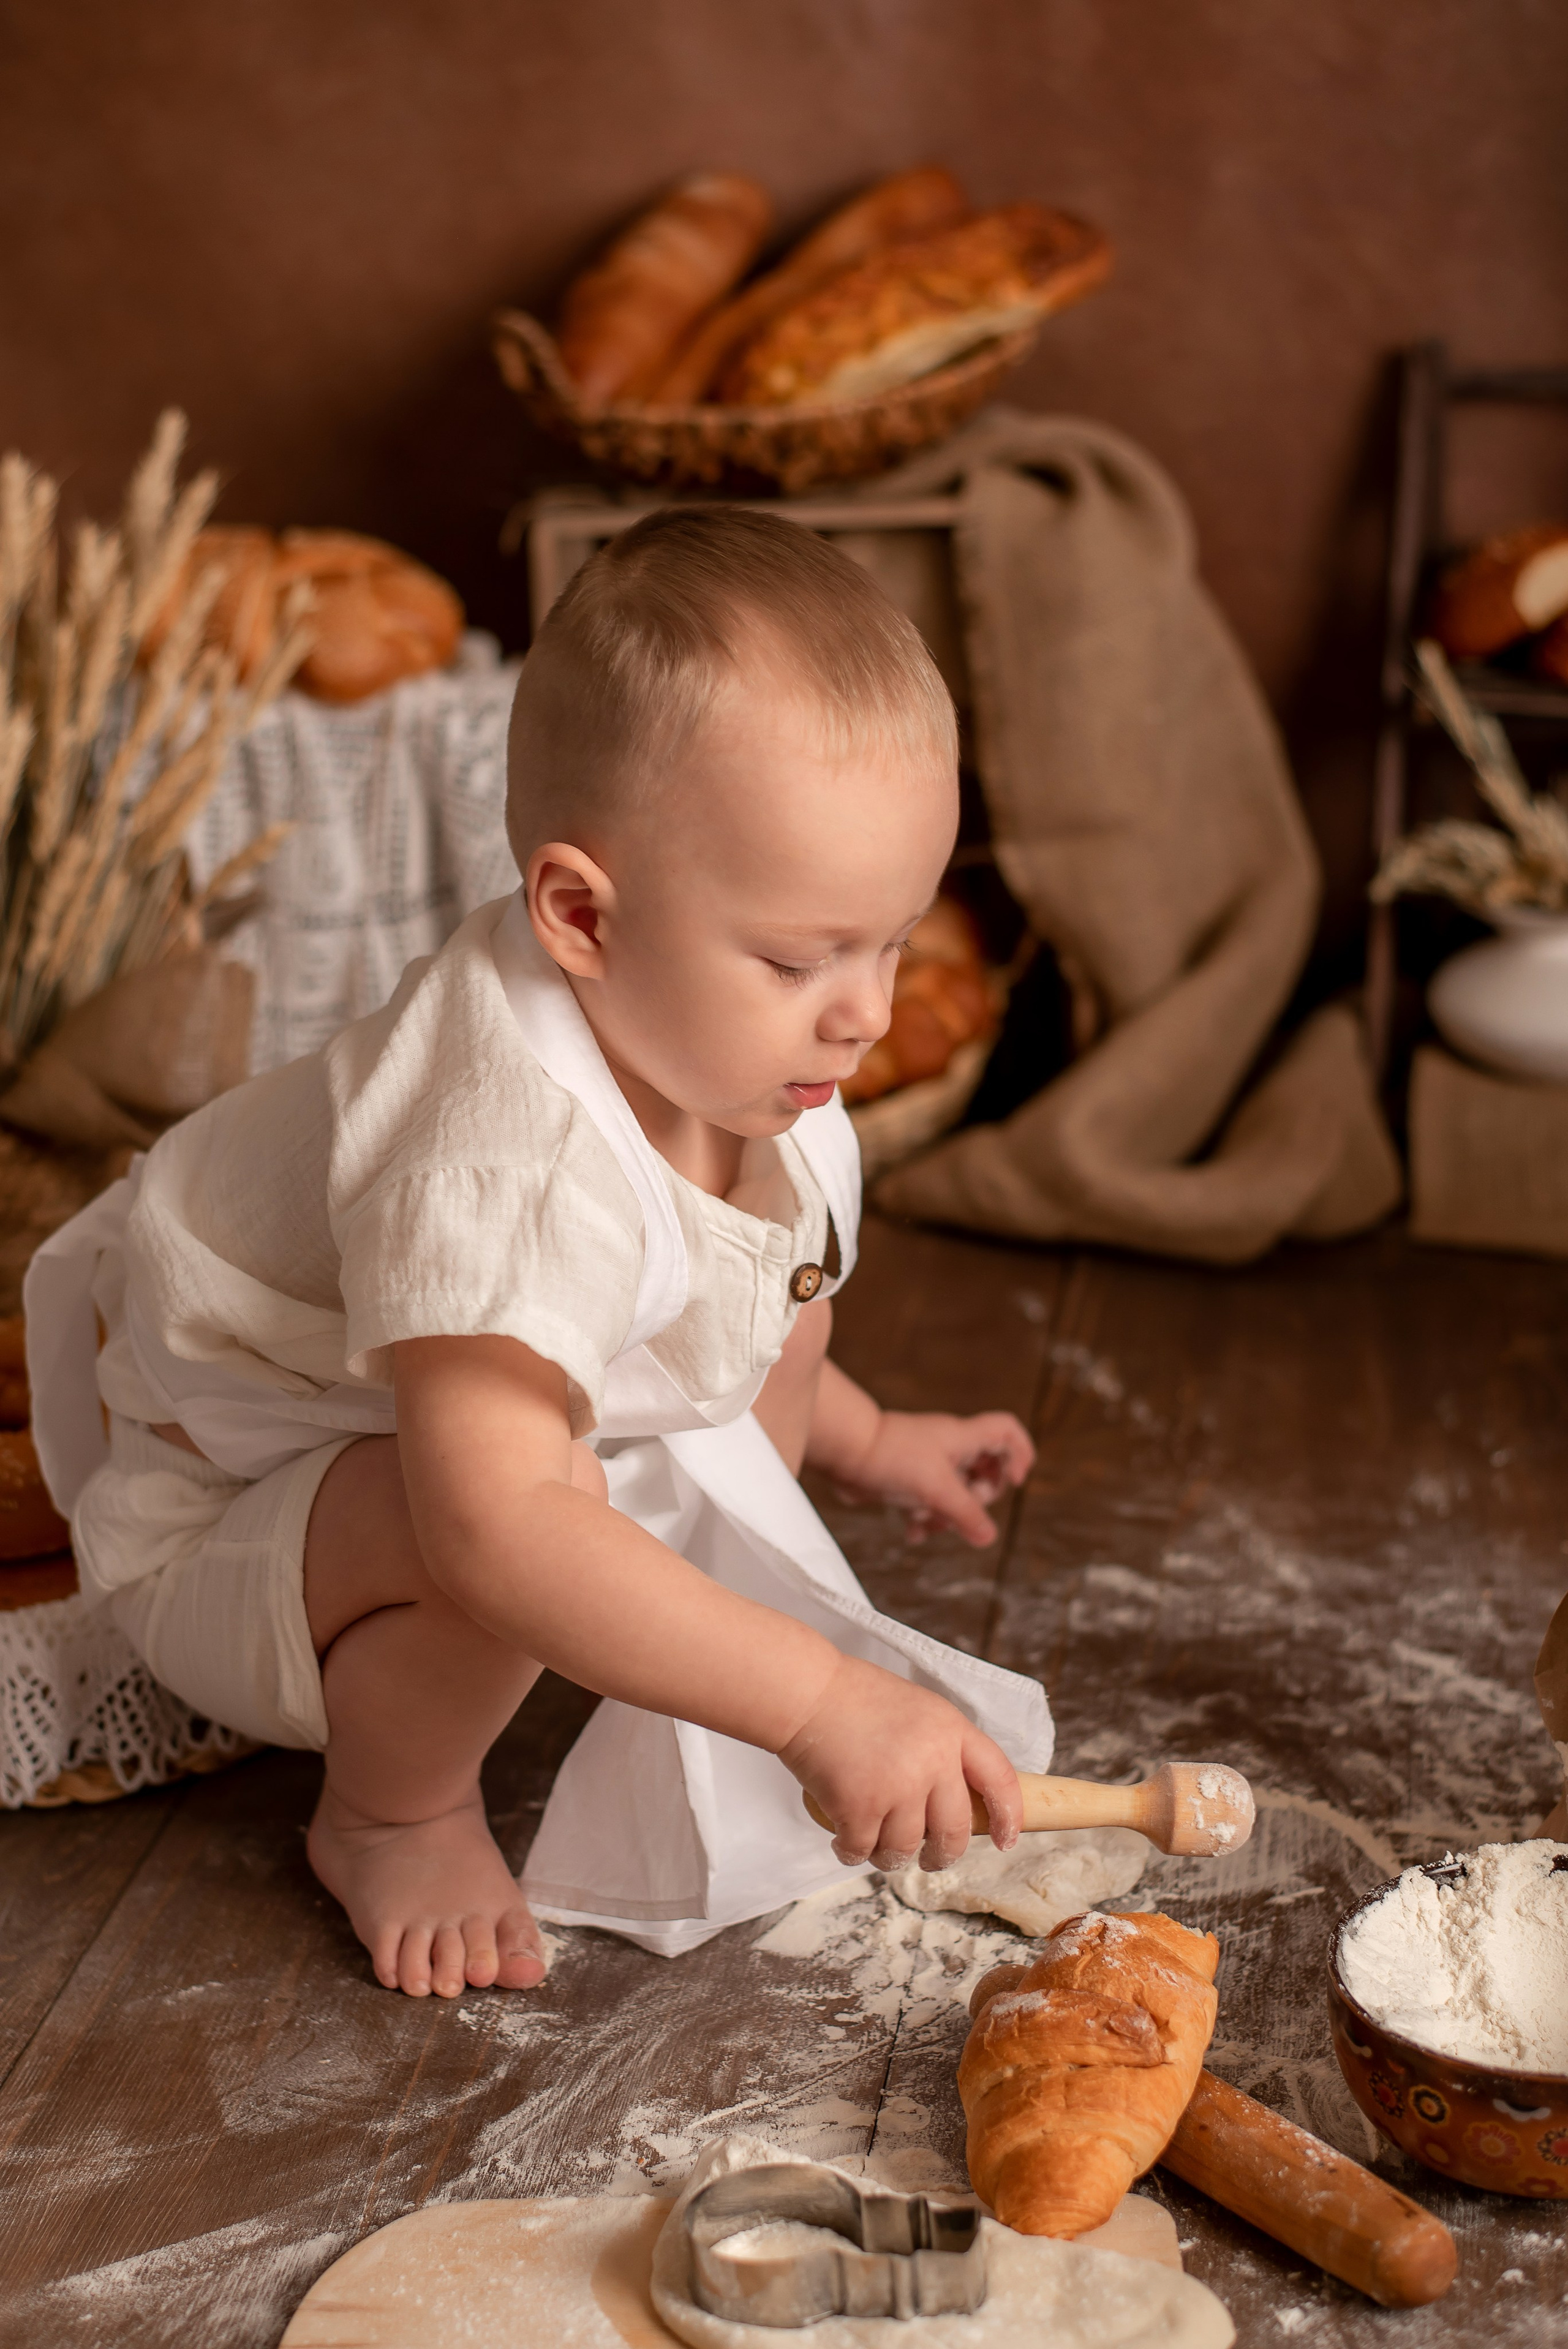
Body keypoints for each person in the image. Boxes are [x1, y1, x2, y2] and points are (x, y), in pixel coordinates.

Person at [27, 509, 1052, 2000]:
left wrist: (868, 1435)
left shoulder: (751, 1065)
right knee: (529, 1508)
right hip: (225, 1507)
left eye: (891, 940)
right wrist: (819, 1698)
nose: (864, 1011)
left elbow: (736, 1309)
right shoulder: (500, 1145)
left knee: (740, 1327)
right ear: (579, 914)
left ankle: (659, 1635)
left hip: (429, 1442)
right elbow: (489, 1530)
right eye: (796, 958)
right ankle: (393, 1807)